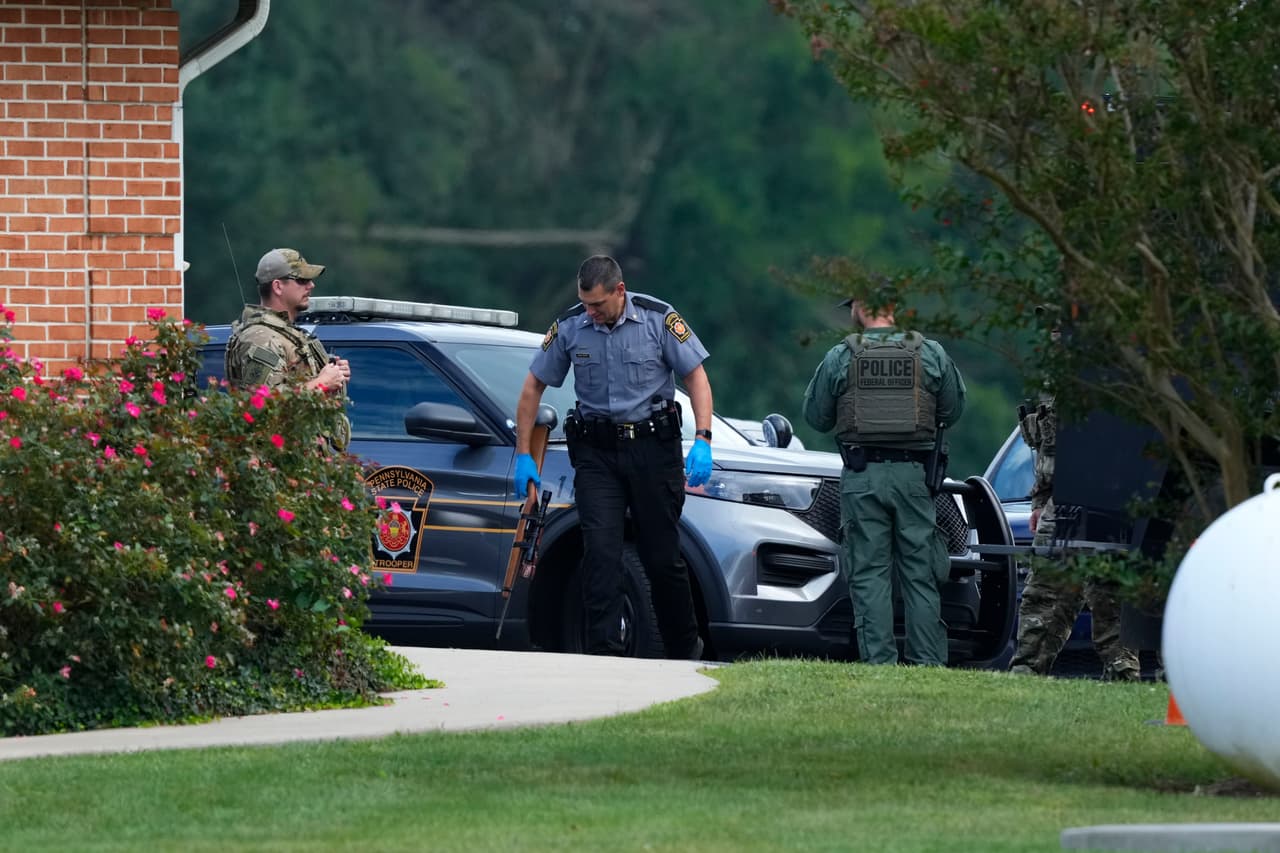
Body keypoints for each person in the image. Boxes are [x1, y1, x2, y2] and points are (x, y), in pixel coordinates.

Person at [514, 255, 712, 660]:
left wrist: (703, 438)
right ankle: (603, 652)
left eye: (598, 305)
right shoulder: (571, 326)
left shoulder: (659, 319)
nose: (591, 313)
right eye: (586, 304)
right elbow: (533, 387)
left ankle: (684, 650)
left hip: (653, 451)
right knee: (600, 553)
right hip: (597, 454)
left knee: (661, 556)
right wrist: (523, 455)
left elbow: (696, 378)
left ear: (620, 291)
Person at [802, 290, 965, 666]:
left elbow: (817, 416)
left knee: (870, 575)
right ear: (895, 309)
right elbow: (952, 410)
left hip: (863, 476)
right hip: (915, 477)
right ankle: (927, 665)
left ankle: (880, 665)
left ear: (859, 308)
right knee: (920, 575)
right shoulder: (930, 352)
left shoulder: (842, 354)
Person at [1008, 307, 1141, 681]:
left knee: (1111, 601)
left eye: (1060, 326)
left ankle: (1124, 678)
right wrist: (1039, 500)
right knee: (1044, 598)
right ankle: (1024, 675)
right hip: (1062, 502)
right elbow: (1047, 449)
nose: (1053, 334)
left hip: (1110, 500)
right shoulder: (1054, 382)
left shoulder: (1116, 377)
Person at [225, 247, 351, 449]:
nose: (311, 285)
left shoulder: (288, 335)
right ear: (277, 286)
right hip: (275, 466)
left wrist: (334, 380)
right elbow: (265, 406)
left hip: (299, 464)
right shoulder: (261, 338)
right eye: (301, 280)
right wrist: (322, 383)